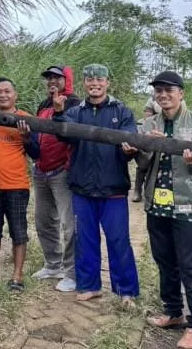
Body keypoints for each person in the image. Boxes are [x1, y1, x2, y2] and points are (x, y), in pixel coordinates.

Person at [133, 72, 192, 349]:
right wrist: (148, 146)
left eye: (168, 90)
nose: (163, 95)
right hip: (157, 204)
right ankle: (172, 312)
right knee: (164, 261)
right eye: (158, 91)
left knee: (189, 266)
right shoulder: (148, 124)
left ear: (181, 93)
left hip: (187, 205)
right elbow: (142, 163)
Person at [53, 63, 140, 305]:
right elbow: (62, 134)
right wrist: (58, 113)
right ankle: (90, 285)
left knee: (118, 241)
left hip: (113, 190)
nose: (95, 84)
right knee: (86, 240)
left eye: (99, 80)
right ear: (84, 84)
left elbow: (130, 143)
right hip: (82, 189)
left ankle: (126, 291)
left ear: (107, 83)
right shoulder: (75, 111)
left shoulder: (121, 111)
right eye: (90, 80)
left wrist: (129, 150)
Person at [0, 78, 38, 291]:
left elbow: (36, 153)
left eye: (7, 91)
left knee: (18, 231)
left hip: (16, 187)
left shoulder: (25, 120)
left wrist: (26, 139)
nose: (3, 95)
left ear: (15, 95)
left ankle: (17, 276)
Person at [32, 65, 81, 292]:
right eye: (49, 78)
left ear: (66, 80)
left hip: (63, 171)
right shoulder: (44, 104)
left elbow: (70, 133)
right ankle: (53, 264)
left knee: (69, 224)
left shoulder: (74, 103)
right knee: (43, 220)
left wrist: (60, 110)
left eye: (57, 78)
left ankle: (72, 272)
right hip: (41, 169)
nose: (52, 81)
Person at [133, 99, 161, 203]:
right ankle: (137, 190)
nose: (147, 113)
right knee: (142, 165)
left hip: (158, 149)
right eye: (146, 111)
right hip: (144, 149)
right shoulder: (142, 122)